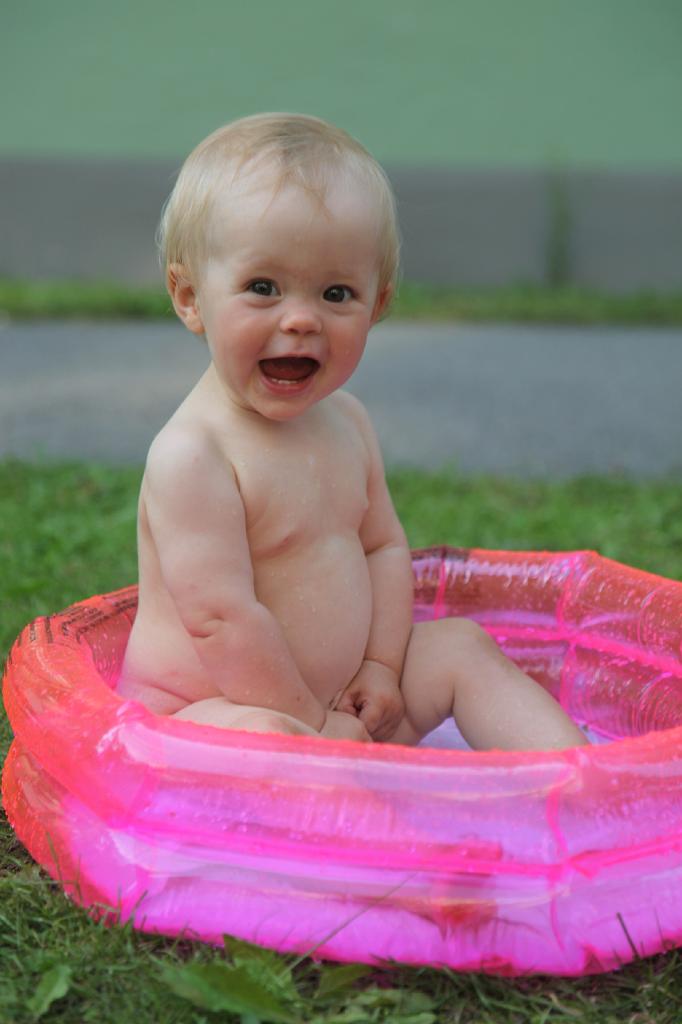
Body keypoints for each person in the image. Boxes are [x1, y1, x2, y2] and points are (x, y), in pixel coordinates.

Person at [118, 113, 586, 751]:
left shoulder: (349, 423)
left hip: (345, 706)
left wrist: (382, 668)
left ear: (378, 303)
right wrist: (311, 726)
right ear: (190, 297)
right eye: (263, 288)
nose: (302, 320)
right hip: (208, 714)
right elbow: (220, 621)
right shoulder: (194, 455)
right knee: (267, 735)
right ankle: (358, 799)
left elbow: (383, 549)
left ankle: (584, 782)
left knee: (458, 646)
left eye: (336, 294)